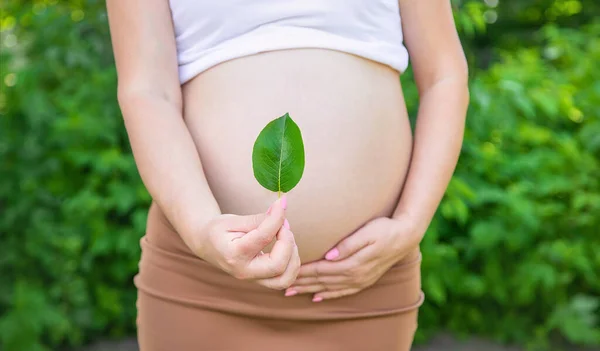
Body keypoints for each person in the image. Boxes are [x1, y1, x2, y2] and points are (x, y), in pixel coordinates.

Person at [106, 0, 469, 350]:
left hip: (362, 280)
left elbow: (445, 76)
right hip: (203, 276)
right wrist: (201, 231)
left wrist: (410, 224)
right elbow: (147, 91)